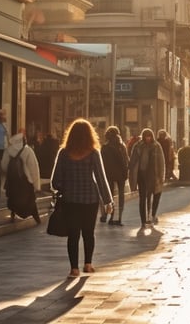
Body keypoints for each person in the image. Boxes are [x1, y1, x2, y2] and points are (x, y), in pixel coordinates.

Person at [49, 119, 114, 278]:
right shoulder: (93, 153)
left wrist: (66, 186)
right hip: (90, 199)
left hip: (70, 200)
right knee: (88, 232)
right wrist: (108, 200)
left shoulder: (63, 153)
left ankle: (74, 269)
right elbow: (101, 178)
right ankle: (88, 264)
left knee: (73, 234)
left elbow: (55, 181)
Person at [0, 132, 42, 223]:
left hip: (12, 181)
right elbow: (33, 168)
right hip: (25, 181)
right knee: (30, 200)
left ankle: (13, 214)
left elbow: (3, 165)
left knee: (13, 198)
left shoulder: (8, 150)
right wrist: (36, 184)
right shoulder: (28, 150)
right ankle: (36, 218)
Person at [130, 128, 166, 226]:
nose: (148, 138)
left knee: (153, 196)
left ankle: (151, 215)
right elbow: (133, 162)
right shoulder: (138, 146)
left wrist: (161, 176)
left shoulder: (156, 146)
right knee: (143, 198)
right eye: (146, 136)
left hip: (153, 176)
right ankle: (143, 220)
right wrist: (132, 175)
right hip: (141, 176)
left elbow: (161, 162)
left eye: (149, 136)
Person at [100, 126, 129, 226]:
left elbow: (102, 163)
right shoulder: (121, 146)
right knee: (121, 196)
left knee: (109, 196)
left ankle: (107, 216)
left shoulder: (105, 147)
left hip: (108, 175)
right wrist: (126, 173)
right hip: (120, 174)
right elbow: (125, 160)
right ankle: (118, 218)